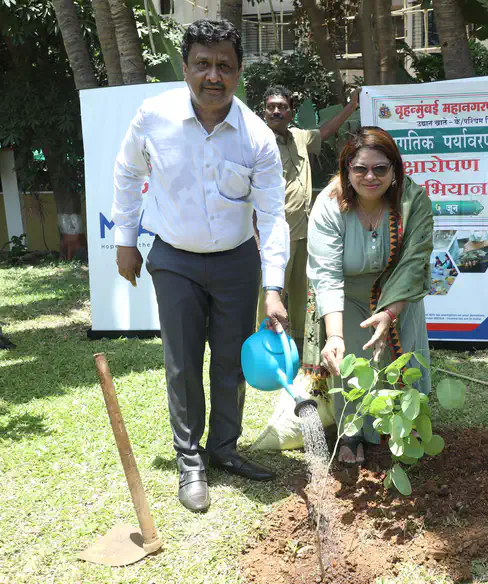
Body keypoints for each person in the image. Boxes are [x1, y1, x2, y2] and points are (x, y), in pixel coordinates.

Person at [112, 19, 290, 512]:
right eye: (203, 64)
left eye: (224, 66)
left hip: (236, 261)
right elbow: (127, 172)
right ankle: (190, 462)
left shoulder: (256, 136)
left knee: (231, 363)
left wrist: (273, 286)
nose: (213, 76)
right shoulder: (154, 116)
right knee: (183, 362)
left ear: (239, 72)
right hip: (174, 258)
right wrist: (126, 240)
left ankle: (224, 449)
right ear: (186, 67)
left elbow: (273, 215)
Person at [304, 127, 434, 464]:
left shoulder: (413, 200)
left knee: (402, 359)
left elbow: (414, 262)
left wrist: (390, 312)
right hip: (345, 296)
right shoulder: (330, 204)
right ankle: (352, 432)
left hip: (398, 294)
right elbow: (327, 273)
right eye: (360, 168)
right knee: (350, 363)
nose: (370, 177)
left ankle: (403, 425)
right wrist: (333, 335)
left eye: (381, 168)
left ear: (395, 170)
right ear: (347, 169)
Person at [256, 86, 360, 348]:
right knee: (269, 293)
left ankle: (301, 347)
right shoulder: (256, 143)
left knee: (303, 293)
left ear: (291, 112)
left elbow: (326, 132)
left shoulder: (300, 137)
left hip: (305, 231)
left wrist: (351, 106)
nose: (276, 111)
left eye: (282, 107)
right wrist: (256, 235)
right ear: (264, 111)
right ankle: (263, 346)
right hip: (273, 235)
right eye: (271, 107)